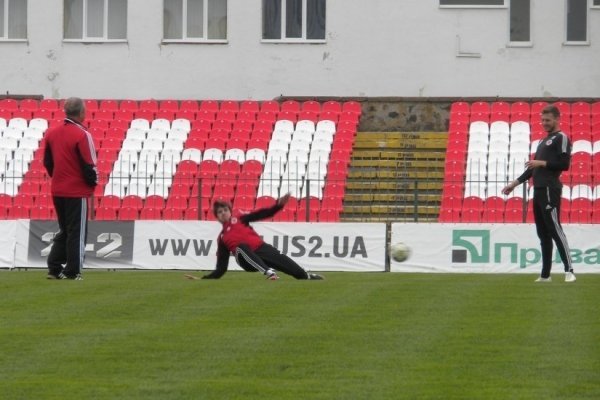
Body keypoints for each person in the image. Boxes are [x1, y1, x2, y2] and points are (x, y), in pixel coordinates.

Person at [502, 105, 575, 283]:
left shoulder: (561, 138)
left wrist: (541, 163)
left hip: (550, 189)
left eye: (547, 120)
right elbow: (532, 169)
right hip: (538, 190)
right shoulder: (543, 141)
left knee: (555, 230)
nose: (544, 123)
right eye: (542, 120)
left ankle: (569, 270)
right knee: (543, 234)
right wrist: (514, 184)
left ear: (557, 119)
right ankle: (545, 275)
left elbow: (564, 164)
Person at [199, 194, 324, 280]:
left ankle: (306, 276)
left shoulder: (239, 218)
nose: (223, 213)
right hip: (245, 260)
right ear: (217, 217)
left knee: (288, 264)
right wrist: (206, 278)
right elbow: (221, 268)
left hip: (261, 249)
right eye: (219, 212)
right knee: (240, 247)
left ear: (230, 211)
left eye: (225, 210)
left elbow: (261, 214)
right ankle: (269, 272)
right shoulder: (222, 238)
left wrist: (278, 206)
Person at [44, 97, 98, 280]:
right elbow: (90, 165)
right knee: (77, 231)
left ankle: (54, 267)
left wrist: (58, 177)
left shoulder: (52, 133)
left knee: (64, 229)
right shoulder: (82, 134)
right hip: (76, 191)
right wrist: (91, 184)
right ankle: (73, 271)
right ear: (82, 113)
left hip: (57, 189)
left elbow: (47, 162)